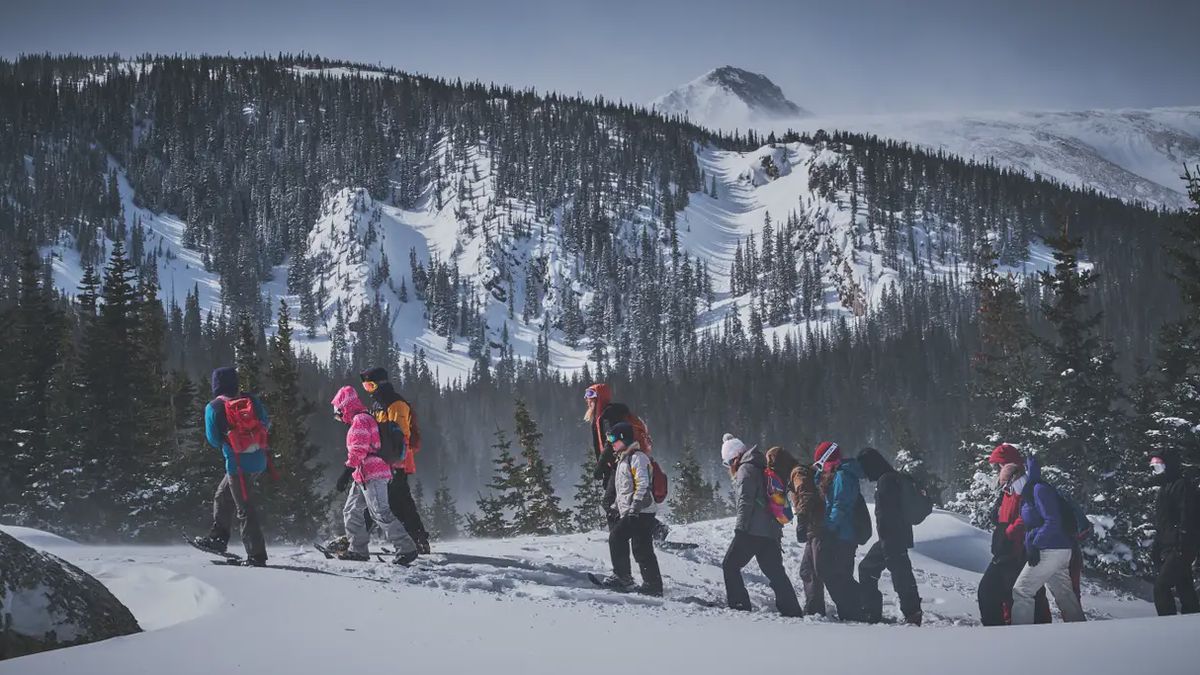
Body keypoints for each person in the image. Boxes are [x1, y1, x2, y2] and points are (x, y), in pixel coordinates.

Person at [331, 385, 419, 565]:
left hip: (374, 474)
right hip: (362, 475)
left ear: (345, 407)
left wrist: (346, 472)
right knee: (351, 510)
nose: (339, 418)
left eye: (338, 414)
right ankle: (358, 550)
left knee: (380, 512)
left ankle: (406, 548)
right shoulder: (363, 418)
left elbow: (359, 449)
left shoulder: (361, 420)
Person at [191, 367, 270, 566]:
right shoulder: (251, 400)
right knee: (222, 495)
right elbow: (265, 422)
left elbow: (213, 440)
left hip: (237, 465)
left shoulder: (214, 407)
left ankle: (256, 555)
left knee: (244, 508)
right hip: (258, 460)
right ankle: (218, 538)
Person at [720, 437, 803, 617]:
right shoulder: (759, 465)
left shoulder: (745, 469)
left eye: (728, 463)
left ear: (734, 457)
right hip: (770, 531)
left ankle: (739, 606)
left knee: (730, 565)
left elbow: (745, 501)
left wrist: (740, 529)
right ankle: (792, 610)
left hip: (752, 531)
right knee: (775, 572)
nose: (729, 469)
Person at [976, 443, 1052, 625]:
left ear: (1009, 465)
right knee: (1011, 593)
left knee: (990, 591)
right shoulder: (1010, 487)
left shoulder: (1023, 487)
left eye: (1000, 465)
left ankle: (1000, 633)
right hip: (1010, 548)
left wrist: (1008, 533)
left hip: (1017, 549)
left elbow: (1028, 515)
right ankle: (1026, 629)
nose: (997, 470)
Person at [357, 367, 431, 554]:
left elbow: (401, 436)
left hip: (397, 462)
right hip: (383, 463)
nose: (369, 389)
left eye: (370, 385)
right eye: (365, 386)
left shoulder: (395, 403)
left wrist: (393, 462)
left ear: (381, 384)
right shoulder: (378, 404)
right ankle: (417, 540)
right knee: (390, 503)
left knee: (390, 503)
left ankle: (356, 539)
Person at [583, 383, 668, 542]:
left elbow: (611, 443)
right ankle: (651, 530)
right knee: (618, 502)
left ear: (599, 398)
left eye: (590, 396)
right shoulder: (605, 415)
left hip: (622, 465)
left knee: (610, 503)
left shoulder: (609, 416)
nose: (587, 400)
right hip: (619, 465)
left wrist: (600, 467)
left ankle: (620, 537)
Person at [1009, 456, 1086, 624]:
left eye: (1011, 484)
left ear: (1019, 478)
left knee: (1022, 591)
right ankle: (1080, 629)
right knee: (1064, 594)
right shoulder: (1031, 493)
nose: (1012, 489)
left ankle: (1019, 637)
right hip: (1058, 549)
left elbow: (1053, 521)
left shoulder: (1038, 490)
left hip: (1049, 550)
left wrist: (1035, 544)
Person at [856, 447, 922, 625]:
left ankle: (875, 612)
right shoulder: (894, 478)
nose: (864, 473)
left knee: (884, 572)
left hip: (891, 537)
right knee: (900, 573)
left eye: (865, 467)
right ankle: (912, 612)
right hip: (898, 534)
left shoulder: (886, 481)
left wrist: (886, 542)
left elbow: (885, 515)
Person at [597, 422, 663, 596]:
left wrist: (634, 507)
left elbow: (642, 484)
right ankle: (653, 586)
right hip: (637, 511)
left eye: (612, 438)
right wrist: (615, 507)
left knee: (616, 538)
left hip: (640, 511)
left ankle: (622, 577)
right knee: (642, 549)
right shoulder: (623, 459)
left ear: (623, 438)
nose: (610, 442)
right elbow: (623, 490)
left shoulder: (637, 458)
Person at [812, 441, 865, 622]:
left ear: (828, 460)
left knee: (835, 574)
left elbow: (840, 505)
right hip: (840, 533)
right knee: (837, 574)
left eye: (821, 464)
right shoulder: (834, 474)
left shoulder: (843, 476)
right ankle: (851, 611)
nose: (821, 468)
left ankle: (856, 609)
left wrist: (829, 528)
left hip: (843, 535)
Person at [1148, 450, 1199, 615]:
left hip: (1181, 545)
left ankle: (1168, 625)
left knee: (1161, 587)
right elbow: (1163, 522)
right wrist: (1157, 546)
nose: (1156, 471)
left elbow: (1188, 515)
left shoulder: (1181, 486)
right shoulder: (1164, 488)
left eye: (1159, 467)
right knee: (1184, 585)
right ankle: (1192, 620)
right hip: (1169, 544)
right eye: (1154, 468)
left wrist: (1183, 542)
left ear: (1169, 466)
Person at [791, 461, 827, 616]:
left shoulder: (797, 474)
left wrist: (801, 520)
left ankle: (816, 608)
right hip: (814, 528)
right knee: (808, 570)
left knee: (816, 570)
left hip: (816, 528)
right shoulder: (800, 473)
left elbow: (806, 496)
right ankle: (814, 608)